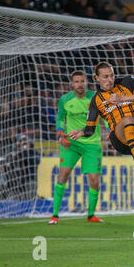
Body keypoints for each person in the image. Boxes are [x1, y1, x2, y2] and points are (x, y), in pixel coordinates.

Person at [68, 62, 134, 245]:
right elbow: (90, 128)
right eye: (105, 77)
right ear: (96, 78)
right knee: (127, 119)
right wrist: (82, 132)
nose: (110, 79)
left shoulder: (126, 82)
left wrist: (128, 98)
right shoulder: (96, 100)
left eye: (111, 75)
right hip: (119, 137)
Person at [49, 71, 107, 225]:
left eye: (82, 81)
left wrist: (111, 132)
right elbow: (60, 118)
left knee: (94, 180)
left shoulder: (95, 98)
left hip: (92, 144)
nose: (80, 84)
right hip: (71, 143)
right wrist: (60, 133)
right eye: (76, 81)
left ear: (86, 82)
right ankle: (54, 215)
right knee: (63, 175)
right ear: (72, 84)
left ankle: (91, 215)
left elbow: (106, 117)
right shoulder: (65, 100)